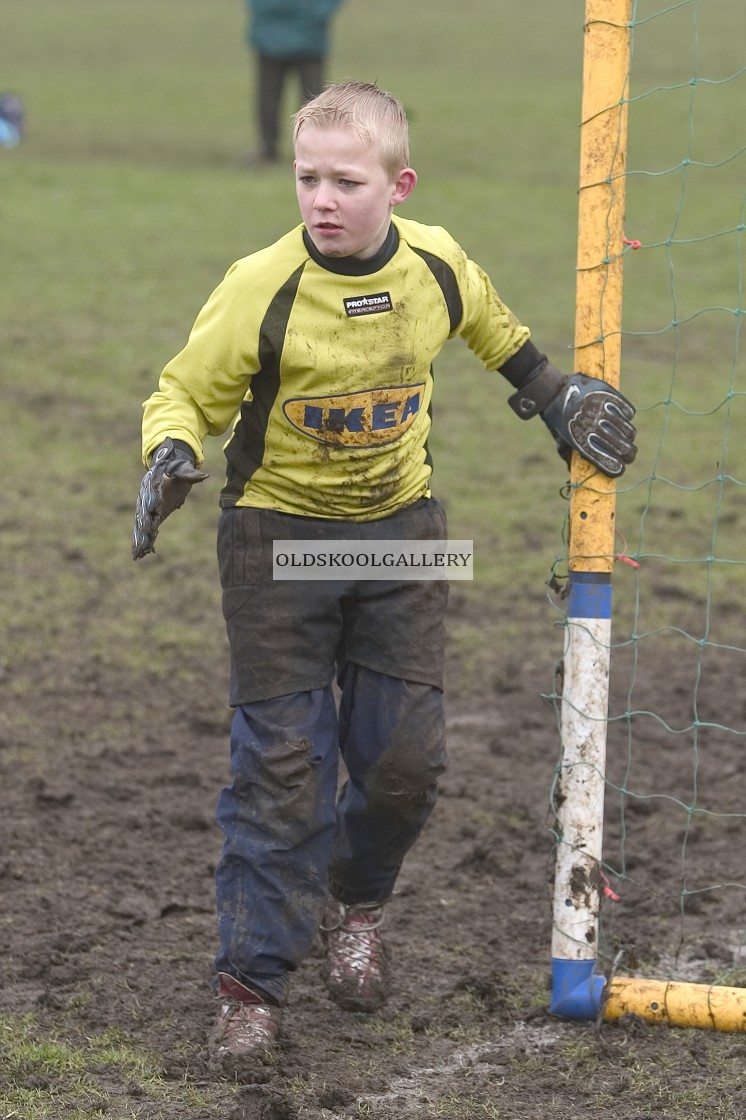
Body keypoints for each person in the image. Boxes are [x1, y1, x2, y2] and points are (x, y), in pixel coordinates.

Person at [132, 81, 637, 1080]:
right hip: (276, 544)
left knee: (403, 763)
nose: (320, 197)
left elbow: (496, 333)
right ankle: (250, 991)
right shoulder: (260, 284)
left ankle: (353, 906)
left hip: (402, 538)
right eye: (305, 176)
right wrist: (170, 452)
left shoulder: (435, 264)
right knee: (281, 772)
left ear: (396, 186)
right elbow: (184, 390)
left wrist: (553, 396)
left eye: (344, 181)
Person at [244, 0, 345, 164]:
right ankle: (269, 147)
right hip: (273, 35)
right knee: (269, 97)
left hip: (306, 38)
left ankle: (311, 147)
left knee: (312, 100)